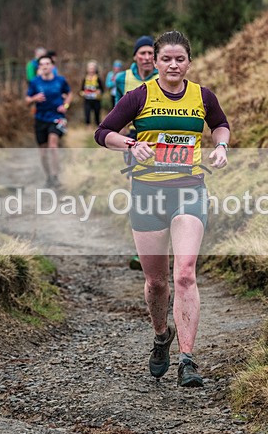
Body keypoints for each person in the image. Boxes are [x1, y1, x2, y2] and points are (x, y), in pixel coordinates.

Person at [94, 30, 231, 388]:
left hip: (189, 189)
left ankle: (187, 359)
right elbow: (103, 131)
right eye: (166, 59)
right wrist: (127, 142)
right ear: (154, 62)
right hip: (147, 194)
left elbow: (220, 124)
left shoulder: (203, 96)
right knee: (156, 281)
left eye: (180, 59)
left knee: (185, 273)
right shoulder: (138, 96)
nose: (173, 65)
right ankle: (161, 336)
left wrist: (221, 147)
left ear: (188, 62)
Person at [115, 36, 159, 270]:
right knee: (139, 189)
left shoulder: (163, 76)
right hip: (134, 138)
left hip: (160, 139)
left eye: (150, 53)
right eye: (142, 53)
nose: (146, 57)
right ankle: (142, 249)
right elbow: (117, 110)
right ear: (135, 56)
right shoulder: (123, 78)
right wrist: (123, 142)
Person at [26, 55, 73, 188]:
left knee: (53, 145)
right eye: (42, 64)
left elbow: (69, 94)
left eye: (47, 64)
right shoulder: (35, 82)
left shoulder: (60, 80)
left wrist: (65, 106)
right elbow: (27, 100)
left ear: (52, 66)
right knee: (43, 152)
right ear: (39, 67)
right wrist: (34, 98)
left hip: (57, 117)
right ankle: (48, 177)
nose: (45, 66)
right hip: (40, 118)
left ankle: (56, 176)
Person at [80, 60, 104, 125]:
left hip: (96, 99)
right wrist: (83, 93)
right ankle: (88, 126)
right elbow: (81, 89)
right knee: (87, 113)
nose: (91, 70)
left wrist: (100, 92)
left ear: (95, 69)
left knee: (97, 114)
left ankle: (97, 127)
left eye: (92, 68)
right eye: (90, 68)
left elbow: (102, 89)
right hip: (87, 99)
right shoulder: (85, 78)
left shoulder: (97, 78)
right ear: (87, 69)